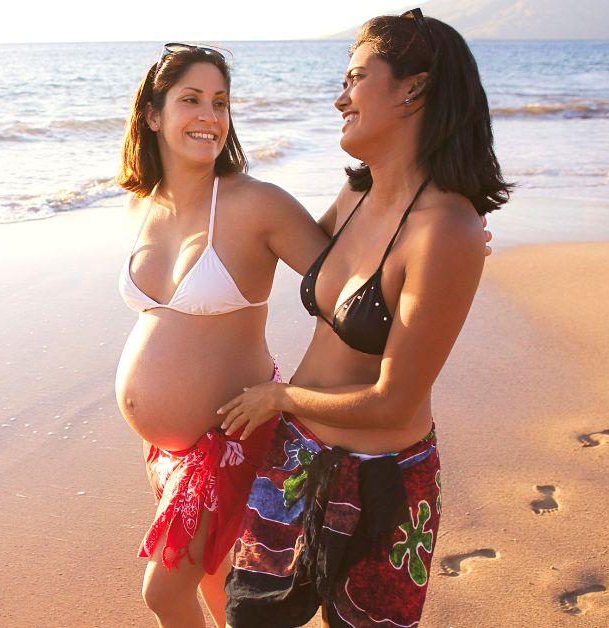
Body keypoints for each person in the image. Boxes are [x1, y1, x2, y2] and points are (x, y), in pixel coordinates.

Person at [215, 9, 512, 628]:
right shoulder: (356, 194)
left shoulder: (445, 230)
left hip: (383, 488)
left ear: (414, 89)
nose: (338, 98)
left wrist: (278, 397)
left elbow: (394, 404)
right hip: (296, 457)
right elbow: (260, 237)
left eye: (354, 79)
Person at [115, 43, 330, 628]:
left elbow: (347, 292)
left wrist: (293, 397)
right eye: (191, 100)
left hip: (227, 438)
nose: (210, 115)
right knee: (214, 581)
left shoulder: (253, 204)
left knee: (163, 592)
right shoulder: (144, 203)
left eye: (221, 102)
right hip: (165, 447)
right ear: (153, 115)